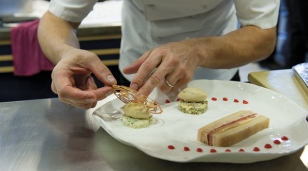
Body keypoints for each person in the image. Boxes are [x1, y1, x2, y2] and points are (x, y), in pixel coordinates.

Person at [37, 0, 280, 109]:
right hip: (137, 74)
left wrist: (197, 50)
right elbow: (58, 18)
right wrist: (66, 53)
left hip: (216, 76)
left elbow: (263, 34)